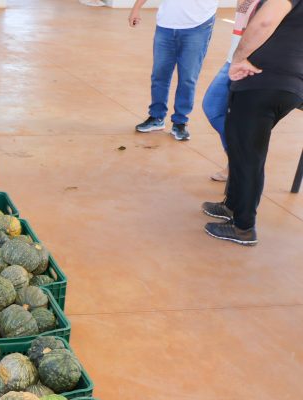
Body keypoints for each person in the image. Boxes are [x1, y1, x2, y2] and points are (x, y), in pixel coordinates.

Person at [202, 0, 303, 245]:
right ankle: (232, 205)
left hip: (261, 81)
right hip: (286, 84)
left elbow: (265, 22)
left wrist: (239, 57)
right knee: (241, 146)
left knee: (248, 153)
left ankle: (243, 227)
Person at [129, 0, 219, 141]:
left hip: (198, 25)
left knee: (188, 78)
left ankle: (180, 122)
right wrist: (136, 8)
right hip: (166, 25)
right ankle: (156, 116)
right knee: (159, 75)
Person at [202, 0, 263, 182]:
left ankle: (240, 163)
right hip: (234, 60)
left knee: (224, 111)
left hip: (250, 64)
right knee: (213, 108)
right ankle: (238, 161)